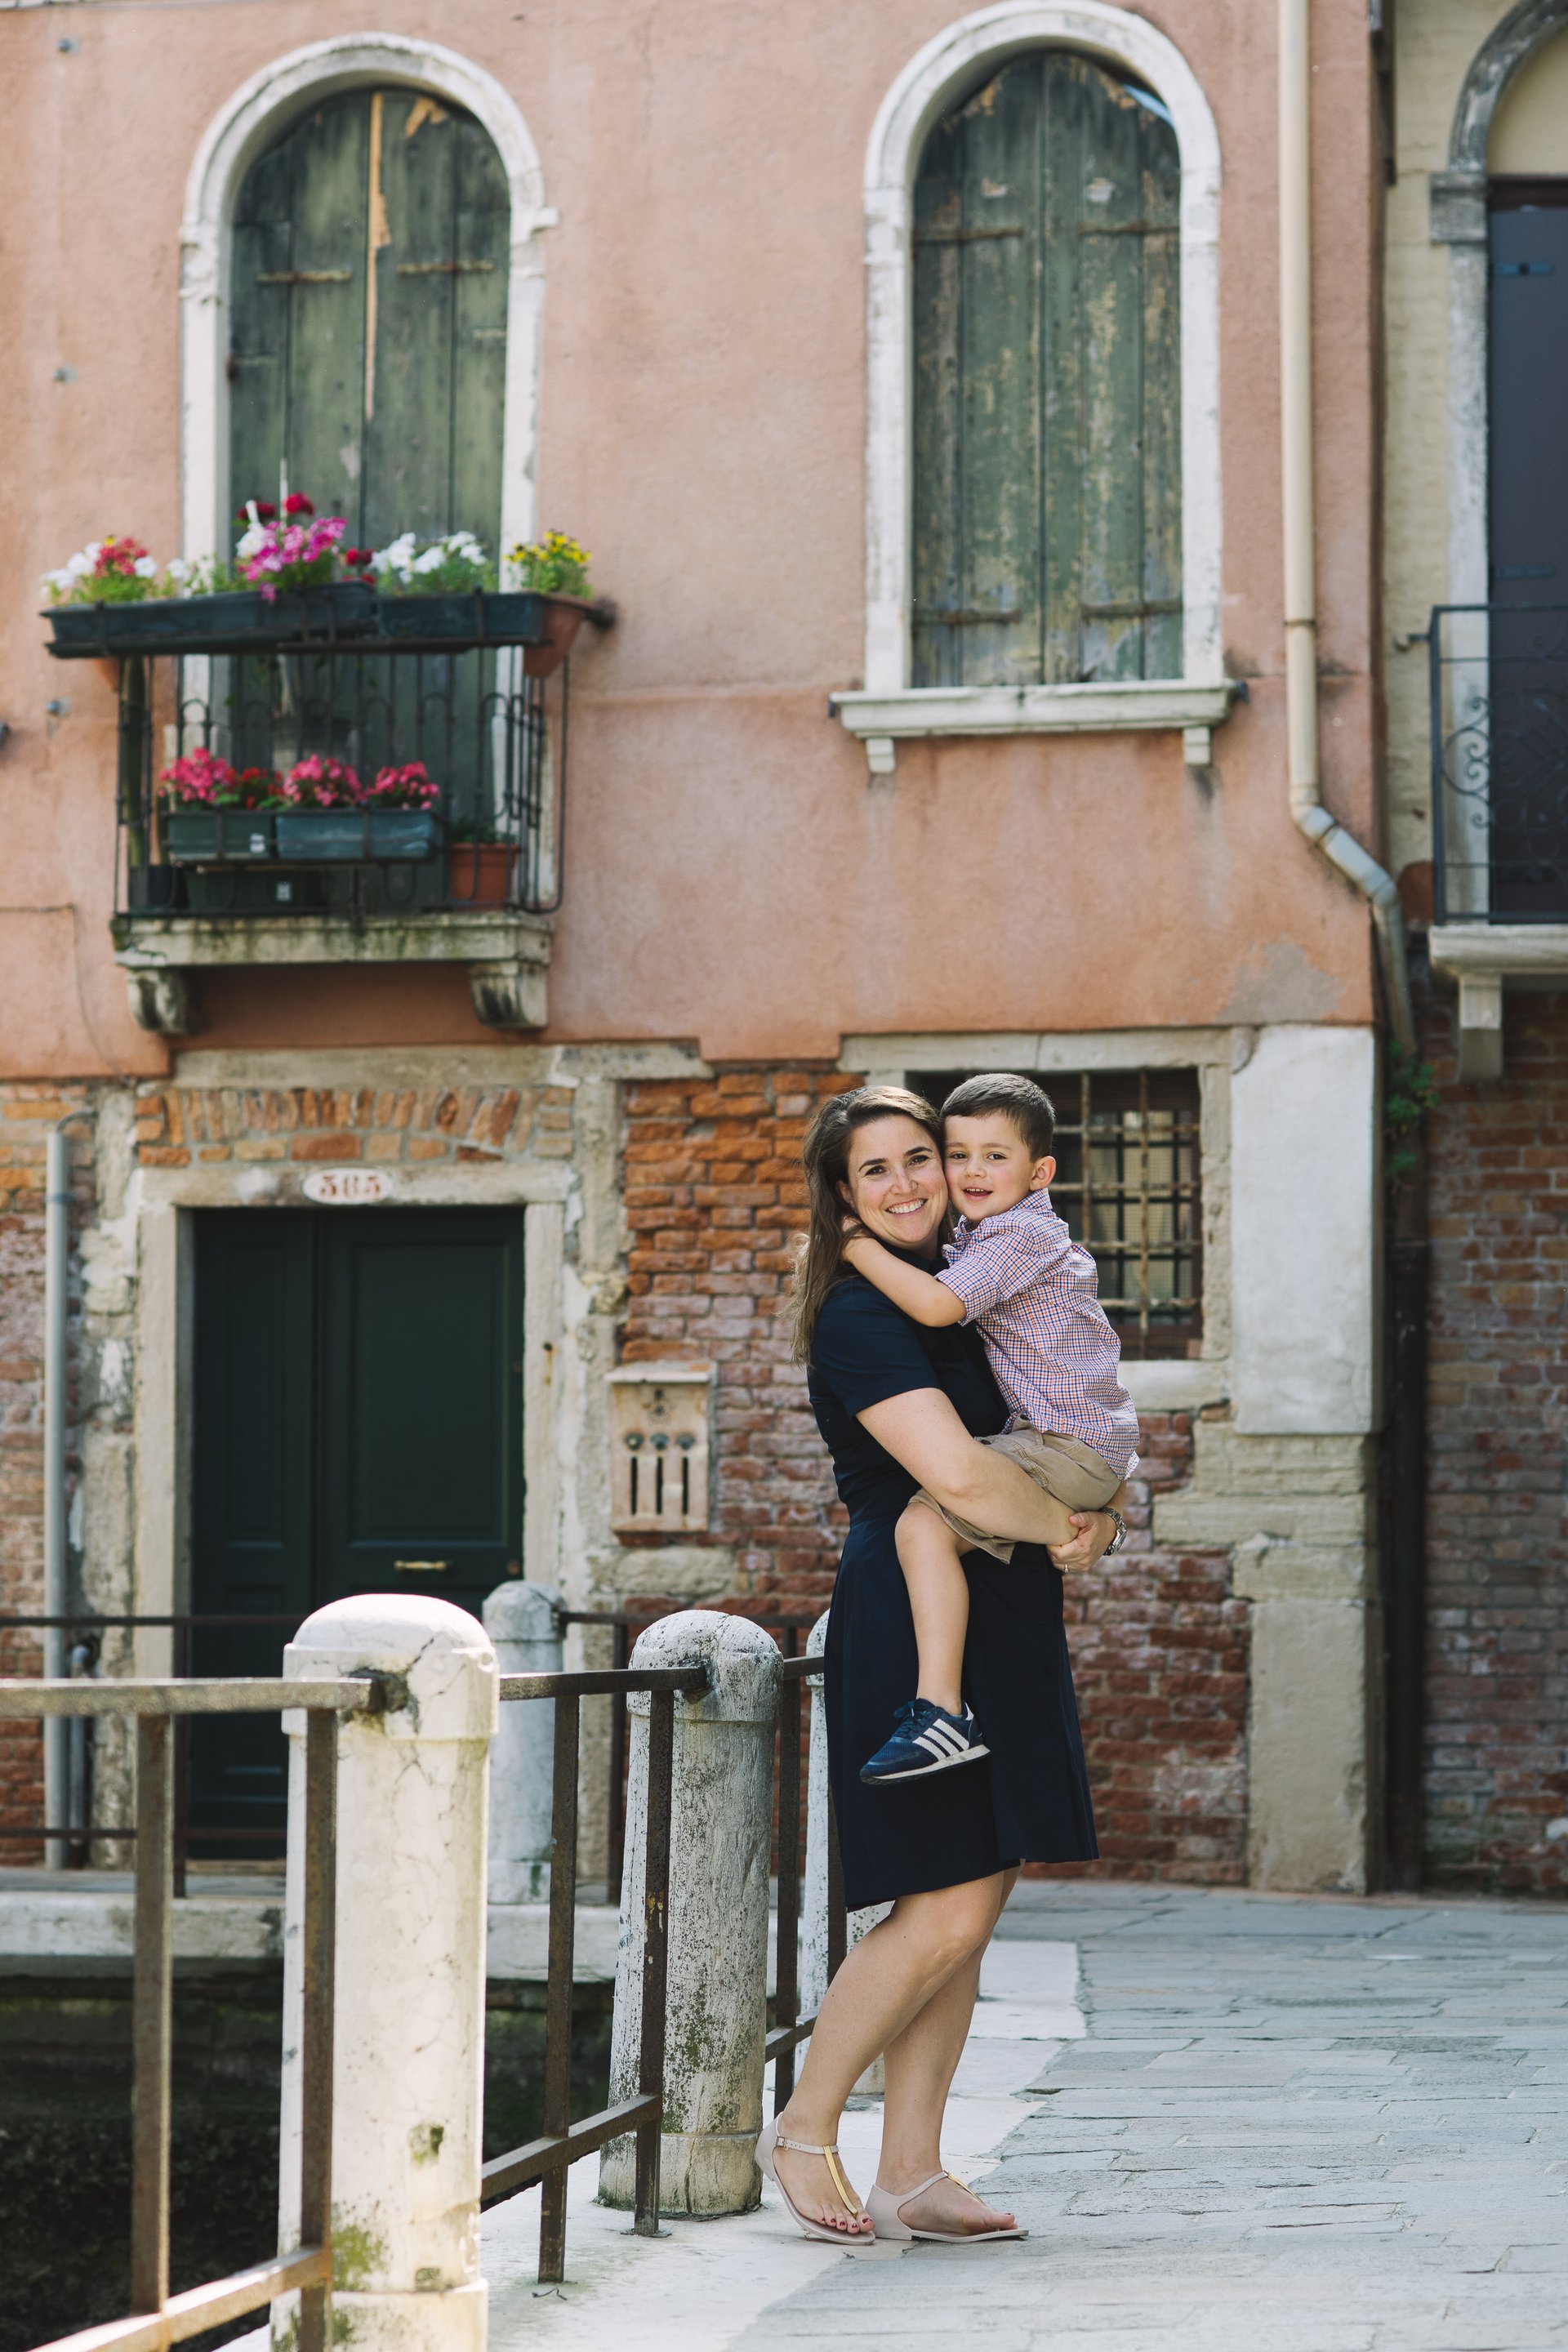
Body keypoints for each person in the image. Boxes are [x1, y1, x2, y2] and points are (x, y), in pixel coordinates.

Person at [755, 1085, 1118, 2245]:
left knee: (969, 1892)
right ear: (842, 1198)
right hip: (915, 1621)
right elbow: (956, 1480)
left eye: (924, 1158)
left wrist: (1093, 1516)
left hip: (996, 1606)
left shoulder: (972, 1285)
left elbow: (1050, 1427)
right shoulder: (866, 1317)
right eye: (878, 1171)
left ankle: (913, 2168)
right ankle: (804, 2126)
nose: (913, 1181)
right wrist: (1066, 1525)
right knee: (946, 1909)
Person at [843, 1072, 1138, 1787]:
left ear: (1039, 1173)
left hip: (1063, 1445)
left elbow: (941, 1308)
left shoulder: (1018, 1236)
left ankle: (940, 1710)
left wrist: (852, 1247)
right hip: (1078, 1444)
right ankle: (943, 1708)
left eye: (994, 1156)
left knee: (921, 1527)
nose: (972, 1171)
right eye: (958, 1152)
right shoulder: (985, 1239)